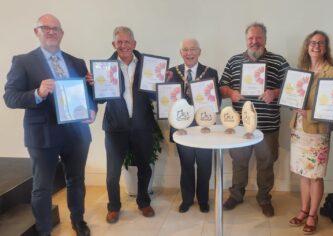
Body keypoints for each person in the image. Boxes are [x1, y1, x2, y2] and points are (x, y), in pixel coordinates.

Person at [3, 14, 95, 236]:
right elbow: (10, 97)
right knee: (42, 187)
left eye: (56, 29)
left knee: (76, 180)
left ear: (62, 33)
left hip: (76, 134)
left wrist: (92, 109)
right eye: (46, 28)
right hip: (42, 135)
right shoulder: (23, 61)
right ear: (37, 32)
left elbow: (87, 96)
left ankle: (78, 221)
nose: (52, 32)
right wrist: (38, 93)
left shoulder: (77, 62)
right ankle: (44, 230)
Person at [86, 26, 157, 223]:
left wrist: (162, 82)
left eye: (127, 42)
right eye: (119, 42)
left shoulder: (148, 65)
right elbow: (99, 100)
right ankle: (114, 207)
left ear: (134, 44)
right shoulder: (103, 68)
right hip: (115, 127)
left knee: (145, 167)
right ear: (113, 44)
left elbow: (155, 95)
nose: (123, 45)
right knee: (112, 172)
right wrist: (93, 85)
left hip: (142, 126)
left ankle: (143, 201)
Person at [219, 22, 289, 217]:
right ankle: (236, 195)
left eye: (258, 37)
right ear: (246, 40)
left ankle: (264, 198)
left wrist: (274, 93)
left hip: (267, 126)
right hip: (240, 127)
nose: (254, 41)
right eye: (251, 38)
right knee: (239, 162)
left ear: (265, 39)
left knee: (266, 164)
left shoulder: (279, 61)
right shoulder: (234, 61)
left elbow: (293, 89)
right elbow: (221, 87)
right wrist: (231, 92)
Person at [288, 31, 333, 234]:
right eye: (312, 42)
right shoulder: (301, 71)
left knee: (315, 176)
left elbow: (332, 107)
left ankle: (313, 214)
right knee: (303, 174)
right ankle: (303, 210)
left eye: (320, 43)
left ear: (326, 47)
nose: (316, 46)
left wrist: (308, 112)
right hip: (299, 129)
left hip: (317, 130)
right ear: (307, 46)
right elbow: (292, 96)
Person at [167, 38, 219, 213]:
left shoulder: (210, 72)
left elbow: (215, 101)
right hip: (182, 129)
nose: (189, 53)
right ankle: (187, 199)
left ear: (199, 52)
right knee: (187, 165)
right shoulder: (171, 73)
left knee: (204, 166)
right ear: (181, 52)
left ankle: (203, 199)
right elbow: (164, 98)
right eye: (185, 50)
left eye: (193, 49)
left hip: (204, 127)